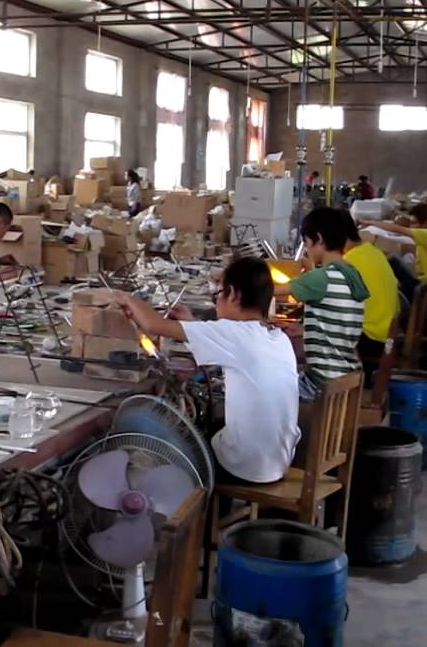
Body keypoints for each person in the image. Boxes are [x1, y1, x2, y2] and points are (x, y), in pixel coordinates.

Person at [114, 257, 299, 484]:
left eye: (218, 295)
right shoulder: (277, 337)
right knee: (213, 426)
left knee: (174, 447)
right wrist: (190, 323)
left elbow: (153, 325)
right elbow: (227, 344)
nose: (215, 303)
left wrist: (125, 298)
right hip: (278, 460)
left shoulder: (233, 333)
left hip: (248, 468)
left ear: (234, 294)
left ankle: (195, 508)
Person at [276, 207, 369, 397]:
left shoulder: (322, 278)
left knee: (267, 387)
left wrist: (231, 278)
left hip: (322, 385)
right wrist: (307, 329)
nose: (307, 250)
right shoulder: (351, 273)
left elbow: (268, 291)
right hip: (347, 376)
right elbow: (338, 320)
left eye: (306, 243)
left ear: (318, 239)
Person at [341, 214, 399, 385]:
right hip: (387, 333)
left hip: (371, 338)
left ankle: (337, 391)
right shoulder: (373, 251)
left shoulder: (350, 260)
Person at [360, 203, 427, 303]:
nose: (411, 227)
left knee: (393, 260)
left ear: (425, 224)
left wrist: (369, 223)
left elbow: (396, 229)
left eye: (414, 223)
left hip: (425, 293)